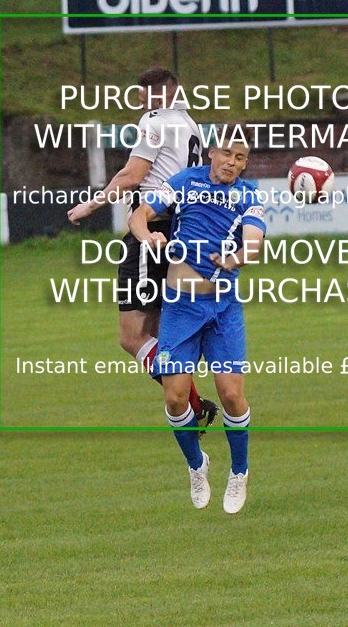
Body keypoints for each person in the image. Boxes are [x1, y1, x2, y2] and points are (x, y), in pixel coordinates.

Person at [67, 67, 217, 431]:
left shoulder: (154, 120)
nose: (139, 102)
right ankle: (191, 404)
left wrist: (93, 204)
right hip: (182, 231)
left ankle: (194, 405)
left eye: (144, 95)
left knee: (132, 335)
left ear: (162, 94)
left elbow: (132, 176)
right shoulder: (191, 124)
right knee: (160, 331)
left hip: (151, 230)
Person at [128, 126, 266, 513]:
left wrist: (235, 258)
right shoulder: (184, 183)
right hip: (180, 308)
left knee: (231, 395)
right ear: (211, 151)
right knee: (174, 398)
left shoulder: (249, 195)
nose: (232, 163)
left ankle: (239, 473)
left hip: (223, 308)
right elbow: (141, 214)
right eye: (227, 154)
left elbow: (254, 240)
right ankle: (197, 464)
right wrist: (147, 236)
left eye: (240, 158)